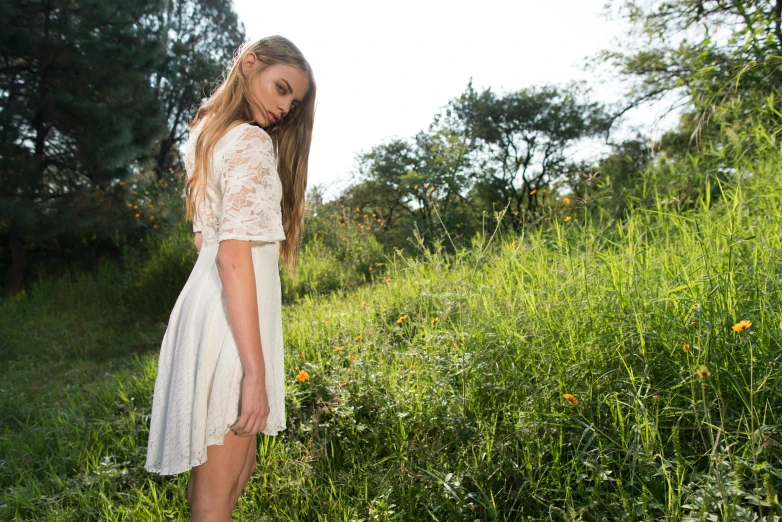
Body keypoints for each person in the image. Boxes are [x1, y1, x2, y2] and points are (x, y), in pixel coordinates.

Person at [144, 35, 315, 521]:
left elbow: (206, 240)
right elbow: (231, 255)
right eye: (280, 88)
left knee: (237, 470)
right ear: (249, 63)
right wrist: (255, 373)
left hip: (214, 310)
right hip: (231, 323)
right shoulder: (249, 140)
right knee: (216, 499)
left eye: (294, 101)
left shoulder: (207, 134)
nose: (285, 106)